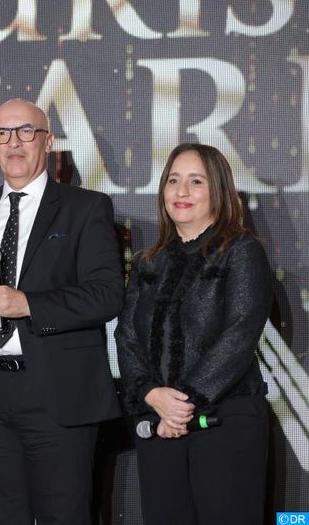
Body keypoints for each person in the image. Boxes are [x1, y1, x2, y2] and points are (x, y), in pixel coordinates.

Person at [0, 99, 124, 524]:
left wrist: (27, 304)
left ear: (48, 141)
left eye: (26, 131)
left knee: (64, 515)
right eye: (2, 134)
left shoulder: (85, 207)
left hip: (57, 389)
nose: (14, 143)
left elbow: (107, 295)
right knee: (1, 516)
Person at [115, 143, 272, 524]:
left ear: (218, 190)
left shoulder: (241, 250)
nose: (181, 191)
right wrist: (151, 395)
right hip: (159, 422)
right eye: (173, 180)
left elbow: (240, 333)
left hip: (225, 421)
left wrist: (182, 406)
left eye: (196, 181)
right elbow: (127, 337)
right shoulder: (148, 261)